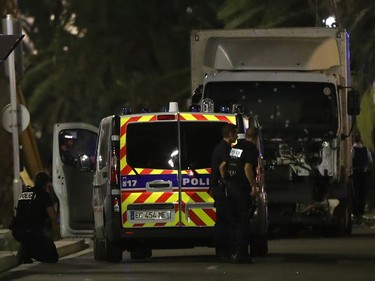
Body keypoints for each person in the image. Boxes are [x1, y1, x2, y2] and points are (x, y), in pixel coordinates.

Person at [219, 126, 259, 263]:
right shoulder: (252, 149)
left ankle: (233, 252)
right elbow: (248, 168)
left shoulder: (236, 147)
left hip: (231, 189)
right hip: (242, 190)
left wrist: (226, 182)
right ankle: (242, 254)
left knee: (234, 221)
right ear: (256, 138)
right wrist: (253, 186)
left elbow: (222, 166)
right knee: (243, 221)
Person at [12, 172, 60, 264]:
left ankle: (26, 251)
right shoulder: (44, 195)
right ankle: (28, 252)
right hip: (32, 231)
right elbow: (53, 216)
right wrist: (55, 231)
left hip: (17, 230)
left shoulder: (24, 193)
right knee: (52, 257)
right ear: (46, 184)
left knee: (31, 240)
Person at [210, 123, 238, 261]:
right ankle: (223, 252)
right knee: (225, 222)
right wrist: (226, 183)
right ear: (231, 134)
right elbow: (223, 166)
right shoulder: (226, 149)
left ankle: (221, 252)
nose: (237, 136)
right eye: (236, 134)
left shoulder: (218, 148)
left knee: (222, 222)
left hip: (218, 189)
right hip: (222, 190)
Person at [351, 133, 373, 222]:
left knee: (355, 193)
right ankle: (361, 212)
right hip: (363, 172)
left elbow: (350, 160)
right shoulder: (366, 149)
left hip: (355, 172)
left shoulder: (352, 149)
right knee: (362, 193)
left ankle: (355, 212)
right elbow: (370, 160)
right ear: (361, 140)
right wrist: (366, 167)